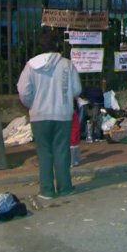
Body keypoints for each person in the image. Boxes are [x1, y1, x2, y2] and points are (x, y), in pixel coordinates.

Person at [18, 29, 82, 200]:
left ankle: (46, 190)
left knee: (44, 152)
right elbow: (77, 89)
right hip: (62, 115)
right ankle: (65, 188)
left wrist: (33, 104)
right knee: (62, 151)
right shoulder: (67, 64)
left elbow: (23, 91)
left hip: (39, 115)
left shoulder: (31, 65)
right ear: (58, 45)